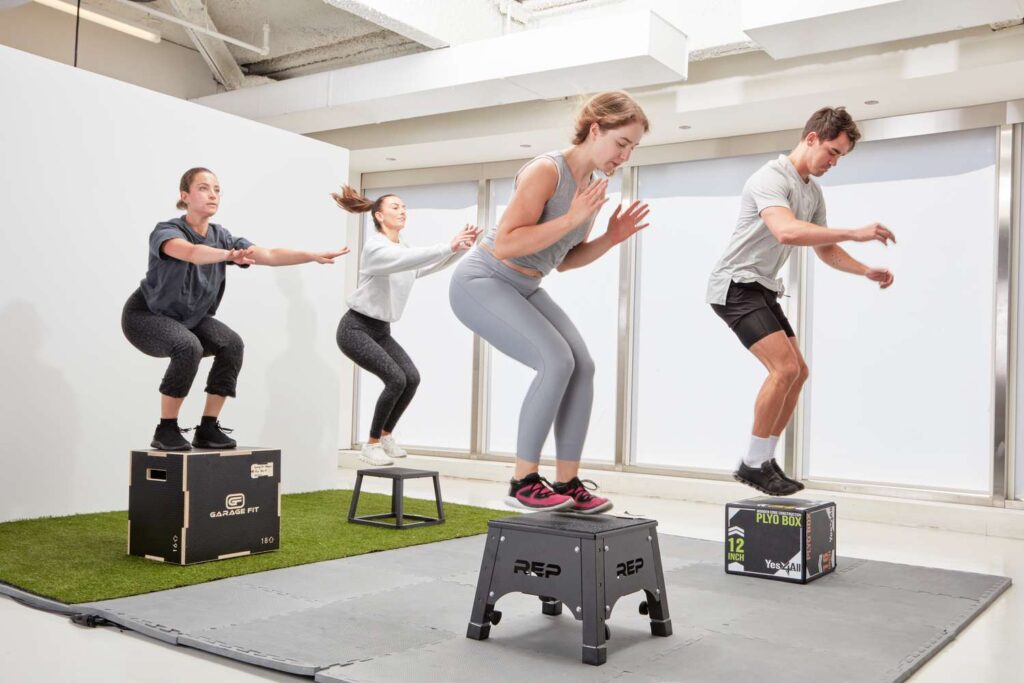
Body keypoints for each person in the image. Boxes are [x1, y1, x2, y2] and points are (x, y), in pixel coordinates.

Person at [449, 91, 651, 513]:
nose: (625, 155)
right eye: (621, 143)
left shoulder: (592, 187)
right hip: (482, 280)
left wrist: (609, 238)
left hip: (527, 284)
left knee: (584, 366)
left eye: (632, 148)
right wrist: (572, 218)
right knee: (556, 360)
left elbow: (564, 261)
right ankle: (523, 480)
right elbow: (505, 244)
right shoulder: (547, 171)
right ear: (595, 130)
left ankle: (568, 481)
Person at [707, 107, 896, 496]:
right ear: (811, 138)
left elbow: (826, 248)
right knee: (783, 368)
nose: (833, 162)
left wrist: (865, 270)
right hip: (734, 286)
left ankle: (764, 459)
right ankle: (751, 463)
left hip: (761, 287)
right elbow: (786, 231)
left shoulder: (812, 191)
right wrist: (856, 233)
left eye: (840, 156)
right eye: (831, 151)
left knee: (799, 371)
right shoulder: (770, 177)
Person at [123, 167, 349, 451]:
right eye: (204, 188)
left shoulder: (221, 236)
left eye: (217, 189)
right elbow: (192, 254)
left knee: (231, 344)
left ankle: (207, 428)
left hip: (189, 318)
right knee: (188, 347)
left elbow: (267, 255)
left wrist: (311, 256)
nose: (213, 194)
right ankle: (165, 429)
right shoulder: (167, 231)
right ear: (185, 195)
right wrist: (229, 255)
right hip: (145, 315)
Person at [333, 186, 480, 465]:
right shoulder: (376, 247)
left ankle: (386, 435)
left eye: (404, 207)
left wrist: (458, 250)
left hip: (380, 329)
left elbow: (420, 267)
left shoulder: (404, 248)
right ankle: (371, 444)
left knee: (411, 378)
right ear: (379, 215)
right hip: (355, 328)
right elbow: (409, 260)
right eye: (395, 207)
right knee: (395, 379)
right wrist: (448, 245)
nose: (403, 211)